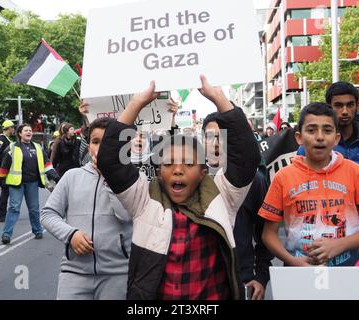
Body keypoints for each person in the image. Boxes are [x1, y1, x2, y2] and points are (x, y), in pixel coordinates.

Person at [96, 75, 261, 300]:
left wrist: (219, 97)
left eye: (189, 164)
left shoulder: (221, 195)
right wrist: (136, 104)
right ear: (159, 172)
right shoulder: (143, 198)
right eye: (169, 163)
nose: (178, 170)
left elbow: (246, 157)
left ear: (204, 173)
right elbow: (110, 161)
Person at [259, 103, 359, 267]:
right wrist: (293, 261)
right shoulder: (283, 177)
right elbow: (268, 234)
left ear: (336, 138)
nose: (320, 137)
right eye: (311, 130)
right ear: (299, 137)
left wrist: (340, 245)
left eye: (327, 130)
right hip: (297, 276)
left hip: (347, 276)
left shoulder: (354, 172)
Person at [41, 118, 132, 300]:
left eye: (107, 142)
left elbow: (125, 215)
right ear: (88, 145)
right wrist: (71, 234)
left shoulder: (132, 177)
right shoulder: (71, 177)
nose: (100, 148)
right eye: (95, 142)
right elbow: (48, 214)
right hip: (74, 273)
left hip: (117, 274)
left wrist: (112, 176)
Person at [202, 113, 273, 300]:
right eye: (211, 136)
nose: (217, 143)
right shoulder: (190, 181)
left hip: (243, 280)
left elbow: (265, 233)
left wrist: (261, 277)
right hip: (201, 281)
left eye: (223, 136)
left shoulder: (254, 181)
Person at [0, 123, 59, 244]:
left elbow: (47, 164)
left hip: (32, 183)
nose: (29, 132)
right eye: (26, 130)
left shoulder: (38, 147)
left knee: (34, 209)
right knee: (14, 208)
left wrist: (55, 177)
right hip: (16, 184)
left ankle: (37, 230)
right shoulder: (12, 148)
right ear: (20, 133)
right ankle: (6, 235)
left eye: (30, 130)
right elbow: (4, 166)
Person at [0, 119, 15, 222]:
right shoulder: (0, 139)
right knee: (5, 192)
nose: (14, 129)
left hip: (10, 171)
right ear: (9, 128)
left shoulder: (9, 139)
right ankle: (1, 215)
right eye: (13, 127)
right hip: (3, 171)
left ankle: (10, 213)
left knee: (11, 192)